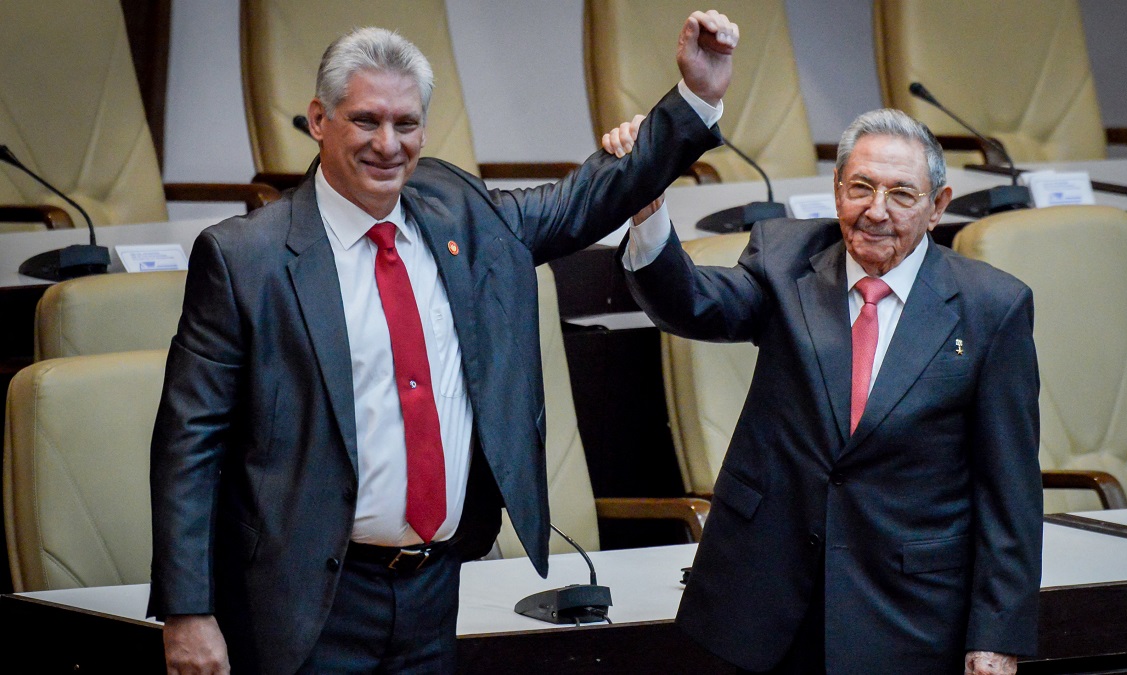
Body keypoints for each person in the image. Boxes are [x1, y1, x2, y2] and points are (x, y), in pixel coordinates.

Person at [149, 11, 739, 674]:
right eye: (366, 121)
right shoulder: (244, 257)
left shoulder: (458, 211)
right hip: (303, 598)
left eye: (406, 124)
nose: (387, 143)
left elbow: (584, 200)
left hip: (432, 589)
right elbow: (187, 443)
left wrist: (695, 97)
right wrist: (188, 609)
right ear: (319, 120)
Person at [603, 108, 1042, 674]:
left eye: (902, 194)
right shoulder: (785, 260)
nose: (875, 211)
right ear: (837, 190)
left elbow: (1011, 493)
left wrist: (997, 636)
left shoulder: (992, 307)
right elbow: (689, 302)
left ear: (938, 206)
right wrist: (647, 206)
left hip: (907, 613)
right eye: (860, 187)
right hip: (764, 603)